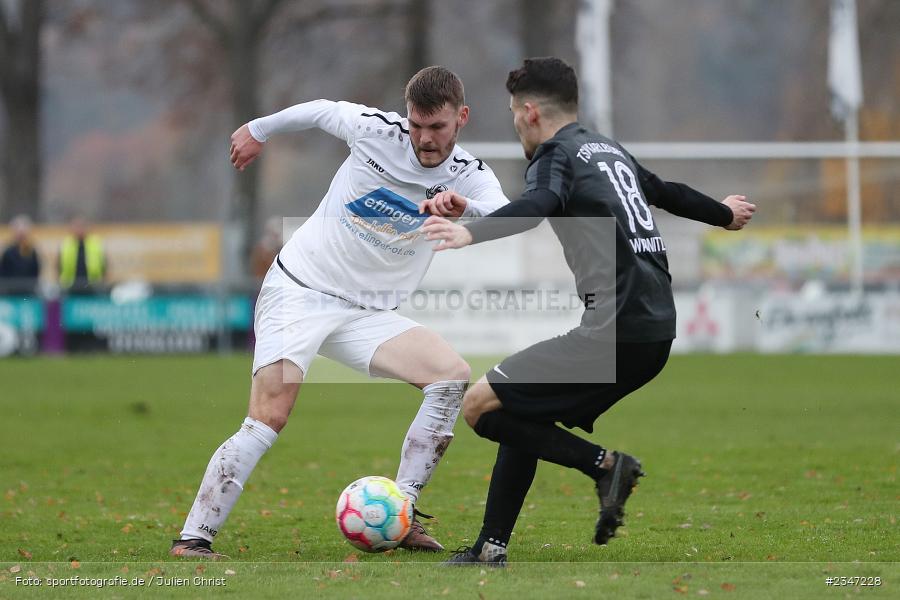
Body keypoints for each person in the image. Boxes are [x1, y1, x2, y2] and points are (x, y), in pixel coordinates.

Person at [422, 57, 756, 566]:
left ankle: (605, 467)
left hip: (615, 330)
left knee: (479, 406)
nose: (515, 124)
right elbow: (665, 192)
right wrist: (724, 213)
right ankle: (491, 549)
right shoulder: (606, 150)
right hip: (653, 331)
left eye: (514, 113)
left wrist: (471, 232)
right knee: (520, 408)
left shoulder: (553, 154)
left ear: (530, 112)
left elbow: (539, 204)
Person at [170, 66, 509, 559]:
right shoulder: (375, 130)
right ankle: (194, 538)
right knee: (270, 415)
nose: (423, 138)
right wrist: (257, 130)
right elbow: (320, 110)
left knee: (450, 377)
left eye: (436, 127)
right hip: (299, 293)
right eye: (416, 125)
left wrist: (466, 210)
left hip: (365, 314)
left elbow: (506, 213)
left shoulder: (469, 176)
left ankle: (400, 512)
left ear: (462, 118)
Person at [58, 216, 106, 294]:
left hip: (92, 286)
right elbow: (59, 266)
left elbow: (103, 265)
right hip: (70, 287)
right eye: (77, 227)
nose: (79, 229)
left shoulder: (95, 243)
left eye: (82, 226)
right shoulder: (66, 244)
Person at [0, 215, 41, 295]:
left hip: (28, 291)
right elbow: (3, 271)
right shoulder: (8, 251)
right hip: (11, 292)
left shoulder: (32, 251)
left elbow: (36, 270)